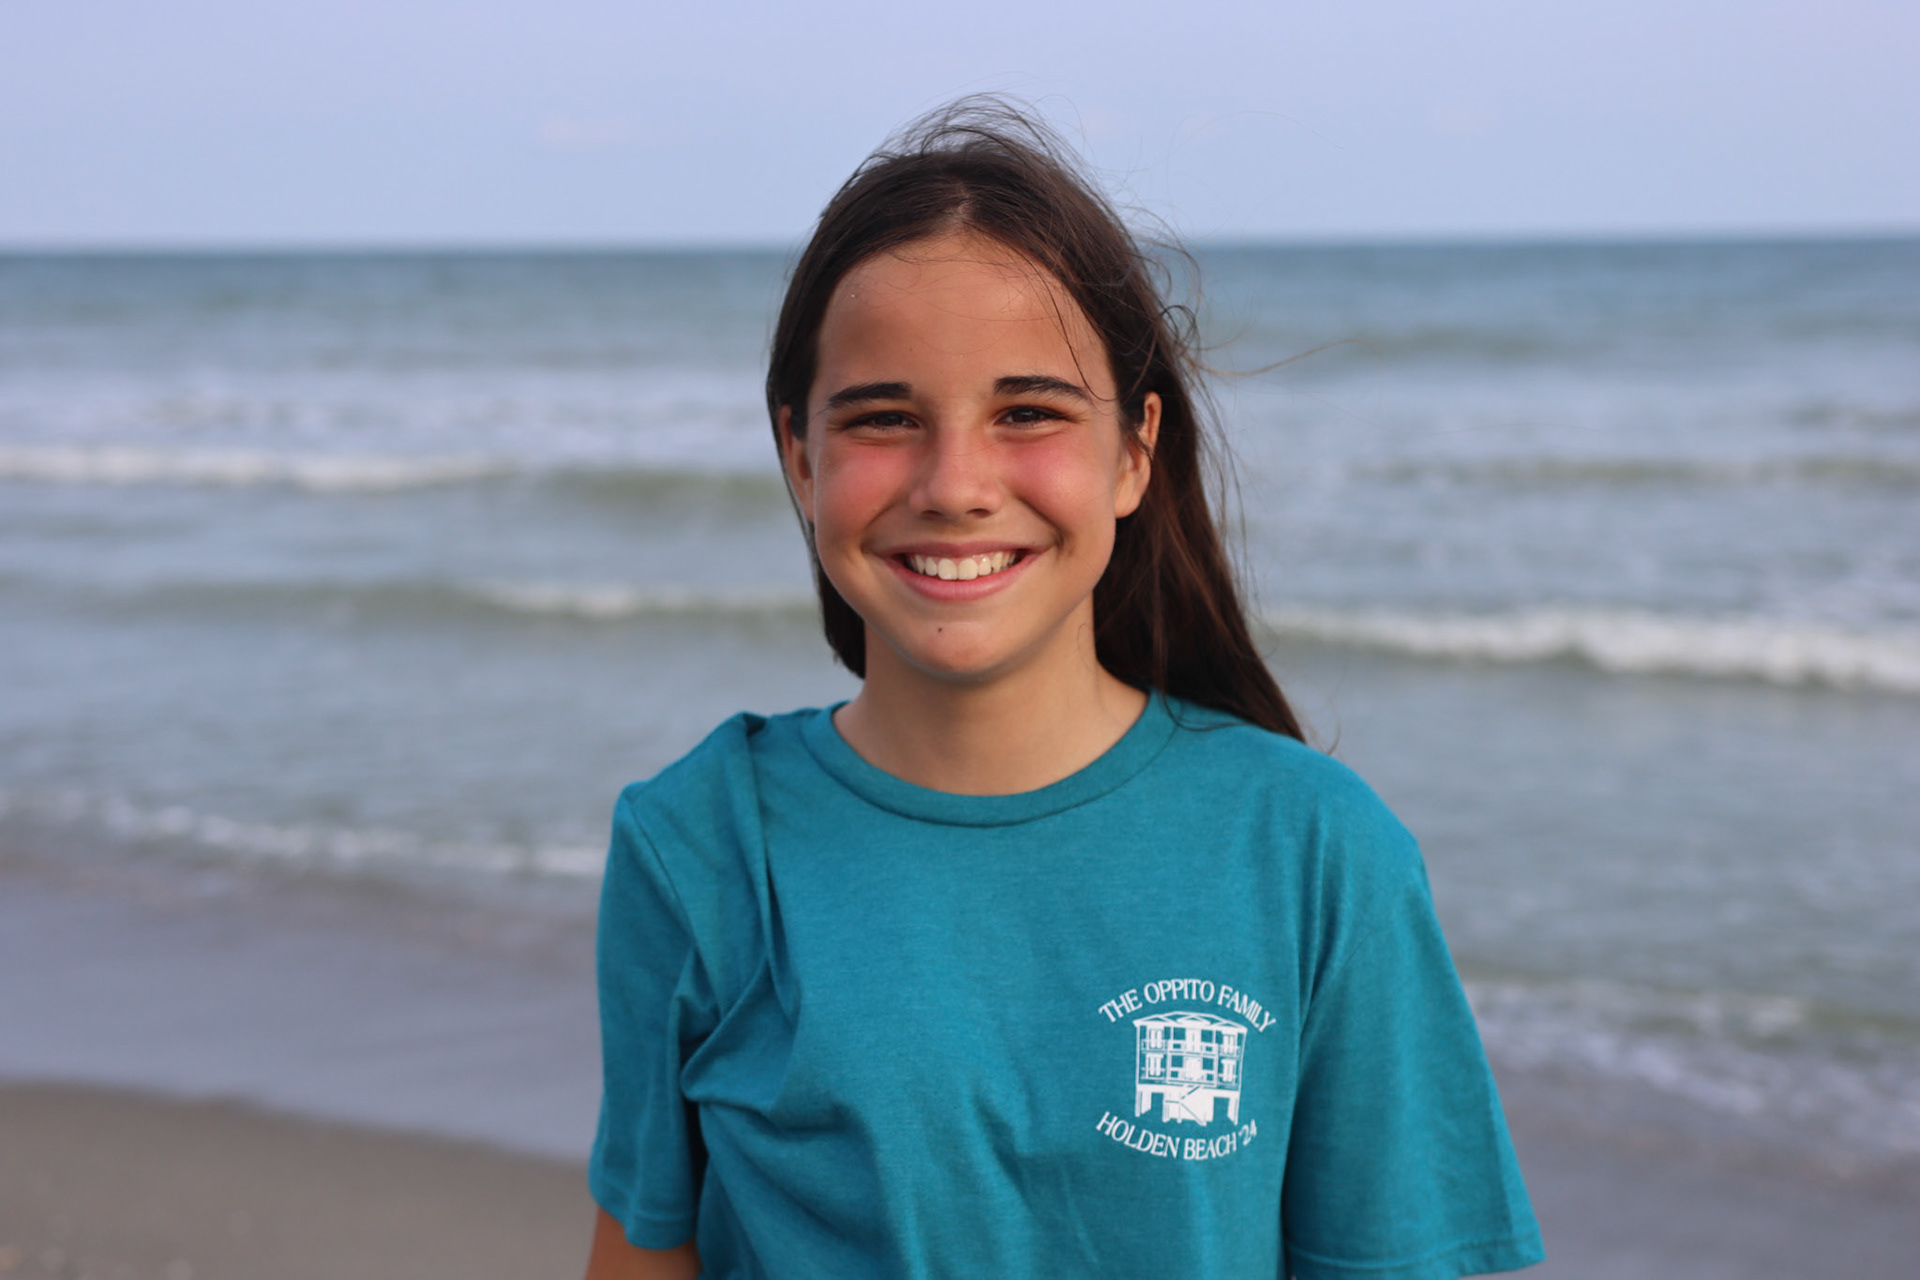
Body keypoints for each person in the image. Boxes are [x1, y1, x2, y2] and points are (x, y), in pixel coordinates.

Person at [583, 100, 1544, 1280]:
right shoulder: (700, 844)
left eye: (1027, 412)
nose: (956, 485)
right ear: (800, 456)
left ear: (1134, 451)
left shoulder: (1315, 851)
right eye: (885, 418)